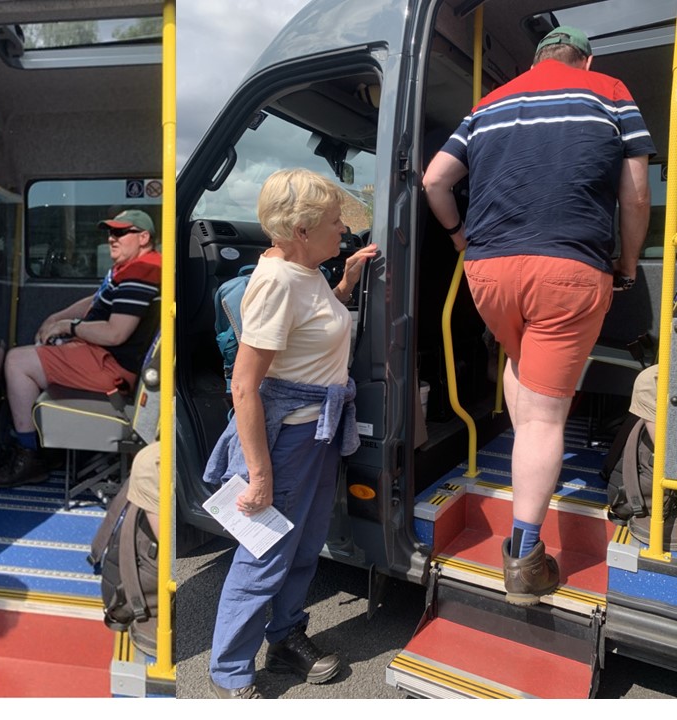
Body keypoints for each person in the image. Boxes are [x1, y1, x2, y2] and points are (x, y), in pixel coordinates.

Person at [422, 26, 653, 605]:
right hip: (569, 271)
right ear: (586, 58)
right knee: (549, 418)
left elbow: (435, 180)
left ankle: (529, 455)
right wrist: (626, 265)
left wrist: (459, 237)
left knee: (521, 361)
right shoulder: (610, 91)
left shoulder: (489, 103)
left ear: (535, 60)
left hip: (489, 272)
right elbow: (635, 195)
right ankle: (524, 557)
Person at [204, 169, 377, 699]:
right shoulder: (276, 282)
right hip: (286, 442)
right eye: (333, 222)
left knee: (303, 547)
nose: (343, 229)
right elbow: (245, 388)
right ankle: (230, 674)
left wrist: (345, 281)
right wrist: (259, 475)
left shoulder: (308, 269)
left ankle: (283, 639)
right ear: (300, 230)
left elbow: (316, 325)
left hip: (316, 435)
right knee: (264, 555)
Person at [0, 209, 162, 488]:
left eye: (120, 232)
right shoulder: (129, 269)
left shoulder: (142, 273)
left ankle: (29, 455)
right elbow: (96, 300)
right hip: (100, 355)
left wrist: (69, 327)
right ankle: (40, 446)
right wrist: (56, 318)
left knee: (16, 362)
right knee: (30, 352)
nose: (111, 239)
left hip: (112, 367)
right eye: (110, 233)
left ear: (143, 237)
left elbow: (116, 334)